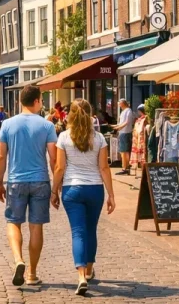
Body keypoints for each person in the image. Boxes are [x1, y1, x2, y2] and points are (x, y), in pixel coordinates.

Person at [51, 99, 116, 295]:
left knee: (78, 232)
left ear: (69, 115)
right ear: (90, 115)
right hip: (94, 188)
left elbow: (60, 167)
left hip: (72, 189)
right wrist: (111, 195)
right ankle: (88, 271)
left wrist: (54, 191)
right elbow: (104, 168)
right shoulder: (98, 138)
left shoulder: (63, 137)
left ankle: (80, 277)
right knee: (91, 230)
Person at [0, 86, 58, 287]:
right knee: (36, 226)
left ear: (20, 101)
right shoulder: (47, 126)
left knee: (13, 222)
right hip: (40, 181)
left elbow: (1, 156)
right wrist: (56, 187)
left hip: (16, 180)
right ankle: (32, 274)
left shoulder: (7, 124)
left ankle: (18, 260)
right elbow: (54, 159)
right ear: (38, 101)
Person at [110, 99, 135, 175]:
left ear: (123, 104)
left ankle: (126, 168)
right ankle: (124, 166)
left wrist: (118, 127)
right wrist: (116, 126)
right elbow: (121, 122)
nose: (119, 106)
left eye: (120, 104)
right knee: (122, 151)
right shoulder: (124, 111)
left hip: (125, 132)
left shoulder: (128, 111)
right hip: (122, 132)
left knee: (125, 151)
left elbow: (126, 122)